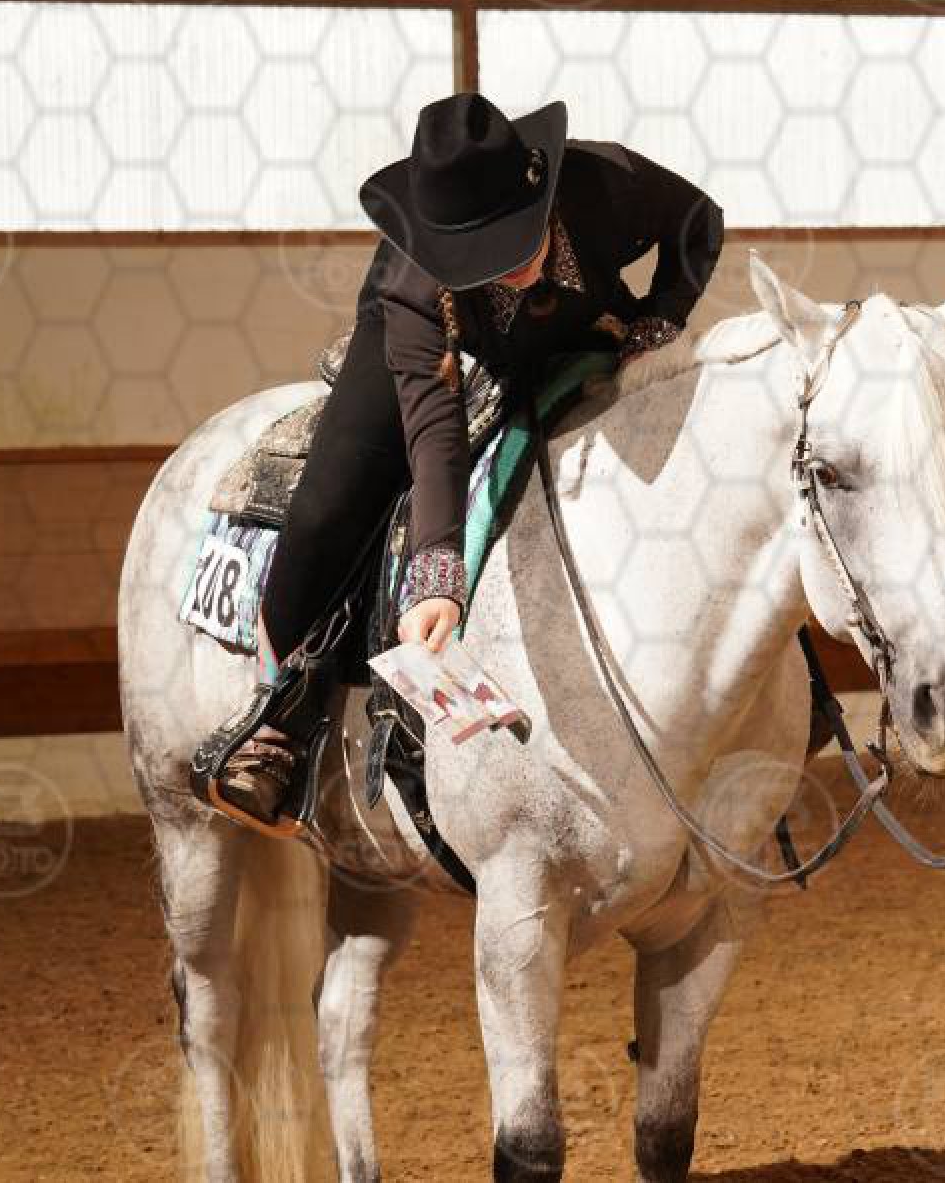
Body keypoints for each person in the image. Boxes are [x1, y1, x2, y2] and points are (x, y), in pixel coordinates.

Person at [200, 91, 724, 836]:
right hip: (424, 345)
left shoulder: (608, 181)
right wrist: (436, 572)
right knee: (328, 504)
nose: (511, 270)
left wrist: (656, 320)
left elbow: (698, 222)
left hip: (582, 327)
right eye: (488, 258)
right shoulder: (414, 285)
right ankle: (278, 717)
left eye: (519, 245)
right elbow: (435, 434)